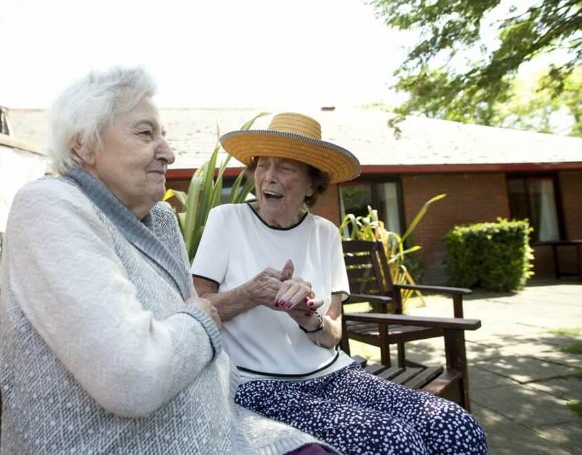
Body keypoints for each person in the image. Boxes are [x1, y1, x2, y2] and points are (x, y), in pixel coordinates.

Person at [0, 68, 336, 454]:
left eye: (164, 135)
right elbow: (133, 374)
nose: (169, 153)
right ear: (84, 147)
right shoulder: (50, 206)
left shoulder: (159, 220)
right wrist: (204, 316)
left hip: (225, 428)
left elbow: (182, 333)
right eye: (146, 133)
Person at [191, 112, 489, 454]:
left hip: (334, 374)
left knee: (453, 423)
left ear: (311, 183)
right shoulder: (227, 220)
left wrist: (307, 317)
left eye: (286, 168)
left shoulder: (325, 233)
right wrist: (252, 294)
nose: (269, 177)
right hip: (256, 382)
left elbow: (332, 335)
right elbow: (198, 310)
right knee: (393, 440)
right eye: (263, 165)